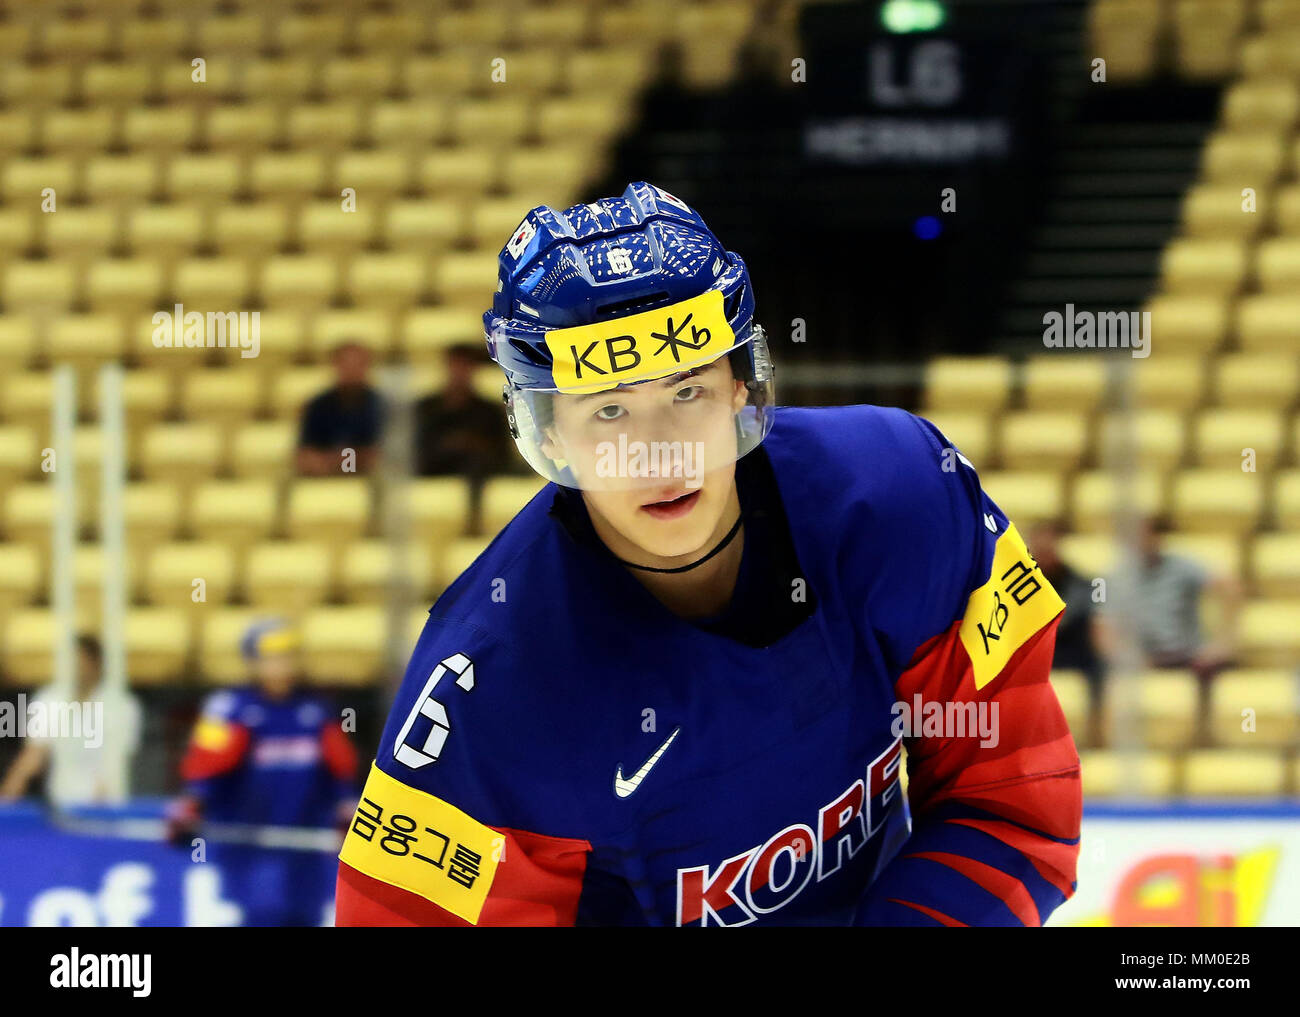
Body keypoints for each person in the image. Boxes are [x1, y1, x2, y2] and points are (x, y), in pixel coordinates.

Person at [335, 182, 1081, 927]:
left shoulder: (902, 494)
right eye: (610, 409)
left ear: (737, 386)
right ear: (549, 433)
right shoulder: (485, 689)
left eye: (685, 391)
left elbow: (1014, 805)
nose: (658, 453)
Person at [168, 618, 358, 925]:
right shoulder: (228, 709)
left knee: (303, 917)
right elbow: (204, 773)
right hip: (249, 846)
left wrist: (346, 810)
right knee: (261, 917)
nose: (280, 667)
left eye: (287, 657)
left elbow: (340, 774)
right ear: (252, 662)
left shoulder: (316, 710)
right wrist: (190, 807)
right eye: (270, 659)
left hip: (304, 849)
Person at [0, 635, 141, 807]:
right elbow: (33, 756)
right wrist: (7, 797)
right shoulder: (49, 700)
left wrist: (99, 805)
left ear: (97, 664)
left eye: (82, 662)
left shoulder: (121, 706)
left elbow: (114, 761)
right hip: (62, 807)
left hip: (107, 808)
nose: (77, 669)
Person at [1025, 519, 1108, 745]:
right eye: (1038, 546)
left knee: (1101, 664)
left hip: (1070, 649)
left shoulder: (1086, 584)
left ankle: (1097, 731)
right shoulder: (1012, 583)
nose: (1044, 551)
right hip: (1031, 649)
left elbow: (1096, 614)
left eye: (1049, 545)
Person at [412, 343, 514, 480]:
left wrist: (471, 443)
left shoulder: (488, 411)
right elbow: (417, 449)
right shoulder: (425, 408)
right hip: (433, 468)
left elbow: (501, 453)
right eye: (455, 366)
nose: (459, 373)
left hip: (479, 472)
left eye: (465, 366)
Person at [296, 341, 385, 475]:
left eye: (357, 365)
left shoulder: (381, 406)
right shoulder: (318, 406)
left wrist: (335, 460)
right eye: (346, 365)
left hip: (370, 481)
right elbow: (306, 456)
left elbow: (381, 457)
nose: (351, 370)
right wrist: (350, 460)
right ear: (335, 366)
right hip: (324, 481)